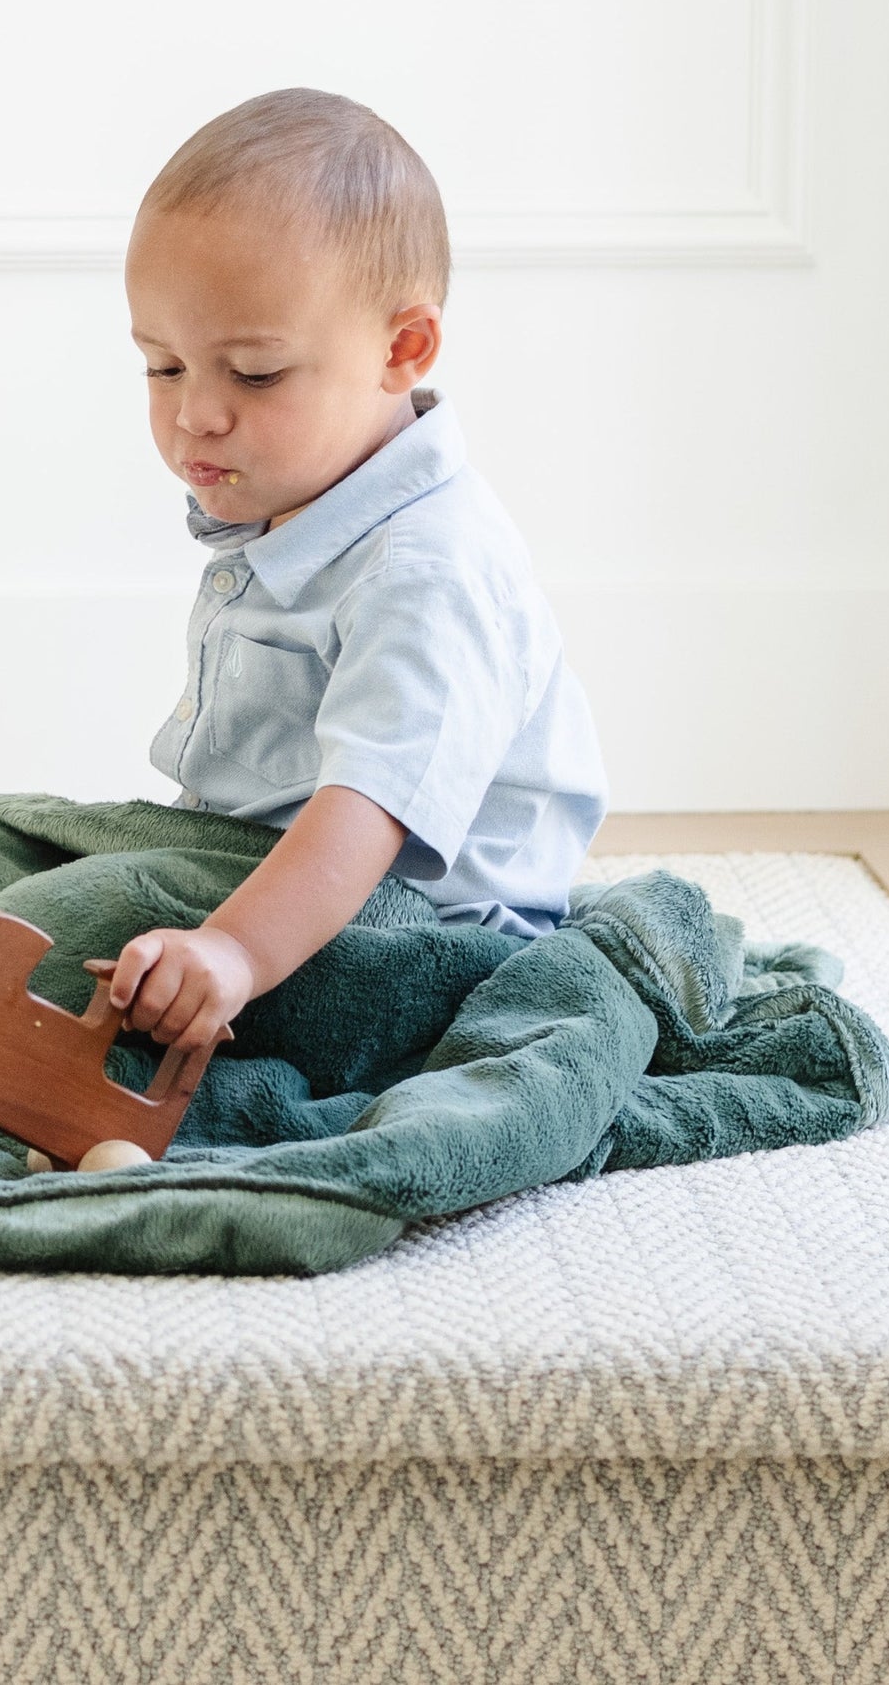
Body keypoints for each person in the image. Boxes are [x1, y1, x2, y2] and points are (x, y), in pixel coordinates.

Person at [106, 88, 610, 1054]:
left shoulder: (426, 571)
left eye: (252, 373)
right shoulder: (303, 496)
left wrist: (234, 955)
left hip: (420, 937)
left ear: (402, 348)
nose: (195, 414)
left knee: (78, 920)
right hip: (279, 884)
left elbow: (363, 814)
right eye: (163, 367)